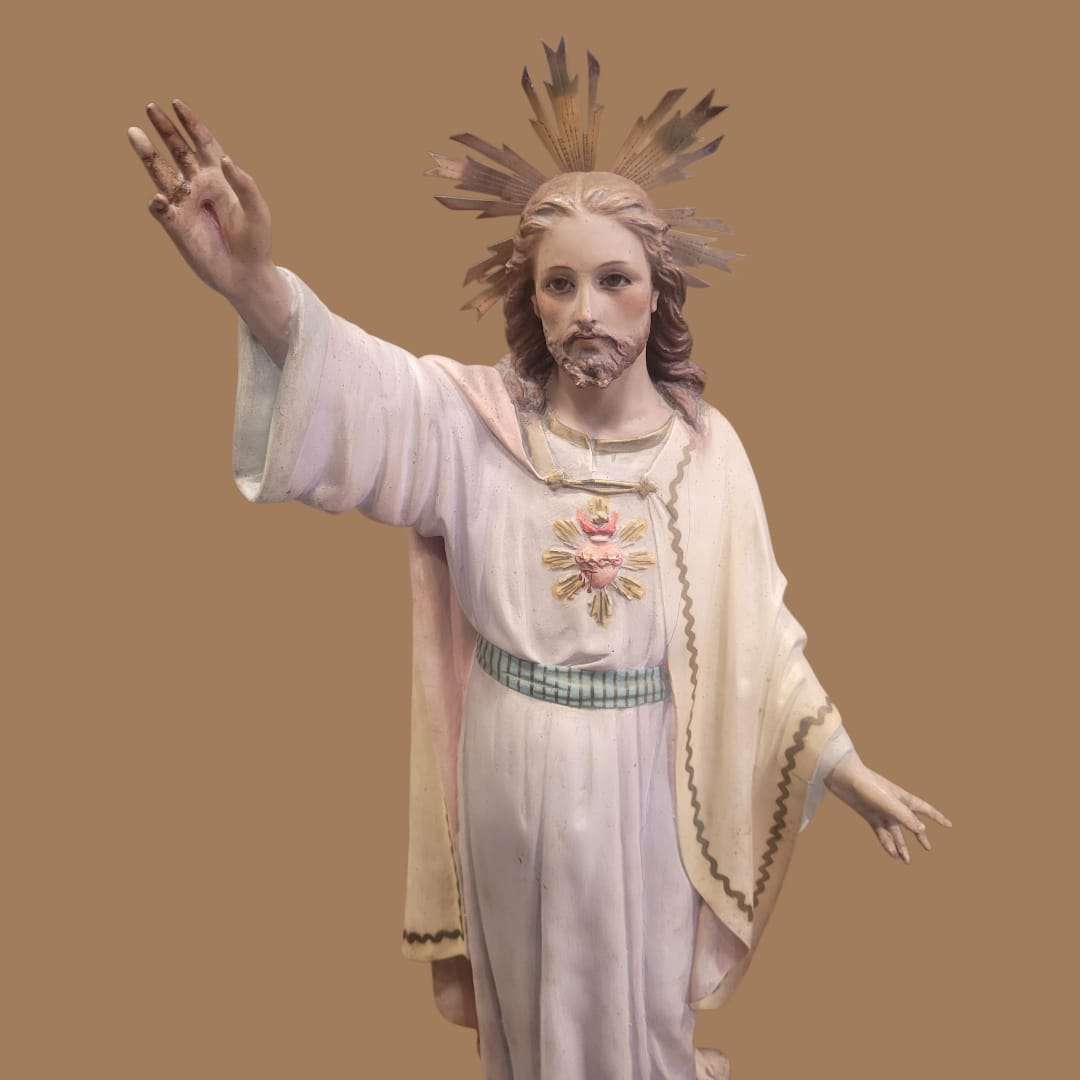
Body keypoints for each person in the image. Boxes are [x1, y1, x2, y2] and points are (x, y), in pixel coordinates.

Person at [126, 39, 951, 1080]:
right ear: (532, 298)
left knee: (640, 1010)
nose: (586, 309)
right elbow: (358, 385)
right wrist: (253, 286)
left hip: (648, 772)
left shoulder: (706, 453)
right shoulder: (474, 425)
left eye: (614, 280)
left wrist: (842, 765)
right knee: (530, 1011)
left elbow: (761, 641)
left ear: (658, 294)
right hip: (510, 765)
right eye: (560, 284)